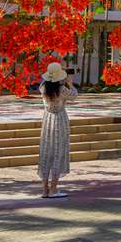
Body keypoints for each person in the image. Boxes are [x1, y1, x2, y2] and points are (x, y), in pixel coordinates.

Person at [37, 61, 77, 199]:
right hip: (60, 120)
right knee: (58, 152)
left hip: (47, 119)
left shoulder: (43, 87)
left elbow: (47, 82)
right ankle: (53, 189)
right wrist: (69, 82)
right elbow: (74, 94)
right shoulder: (62, 90)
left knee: (46, 152)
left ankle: (44, 190)